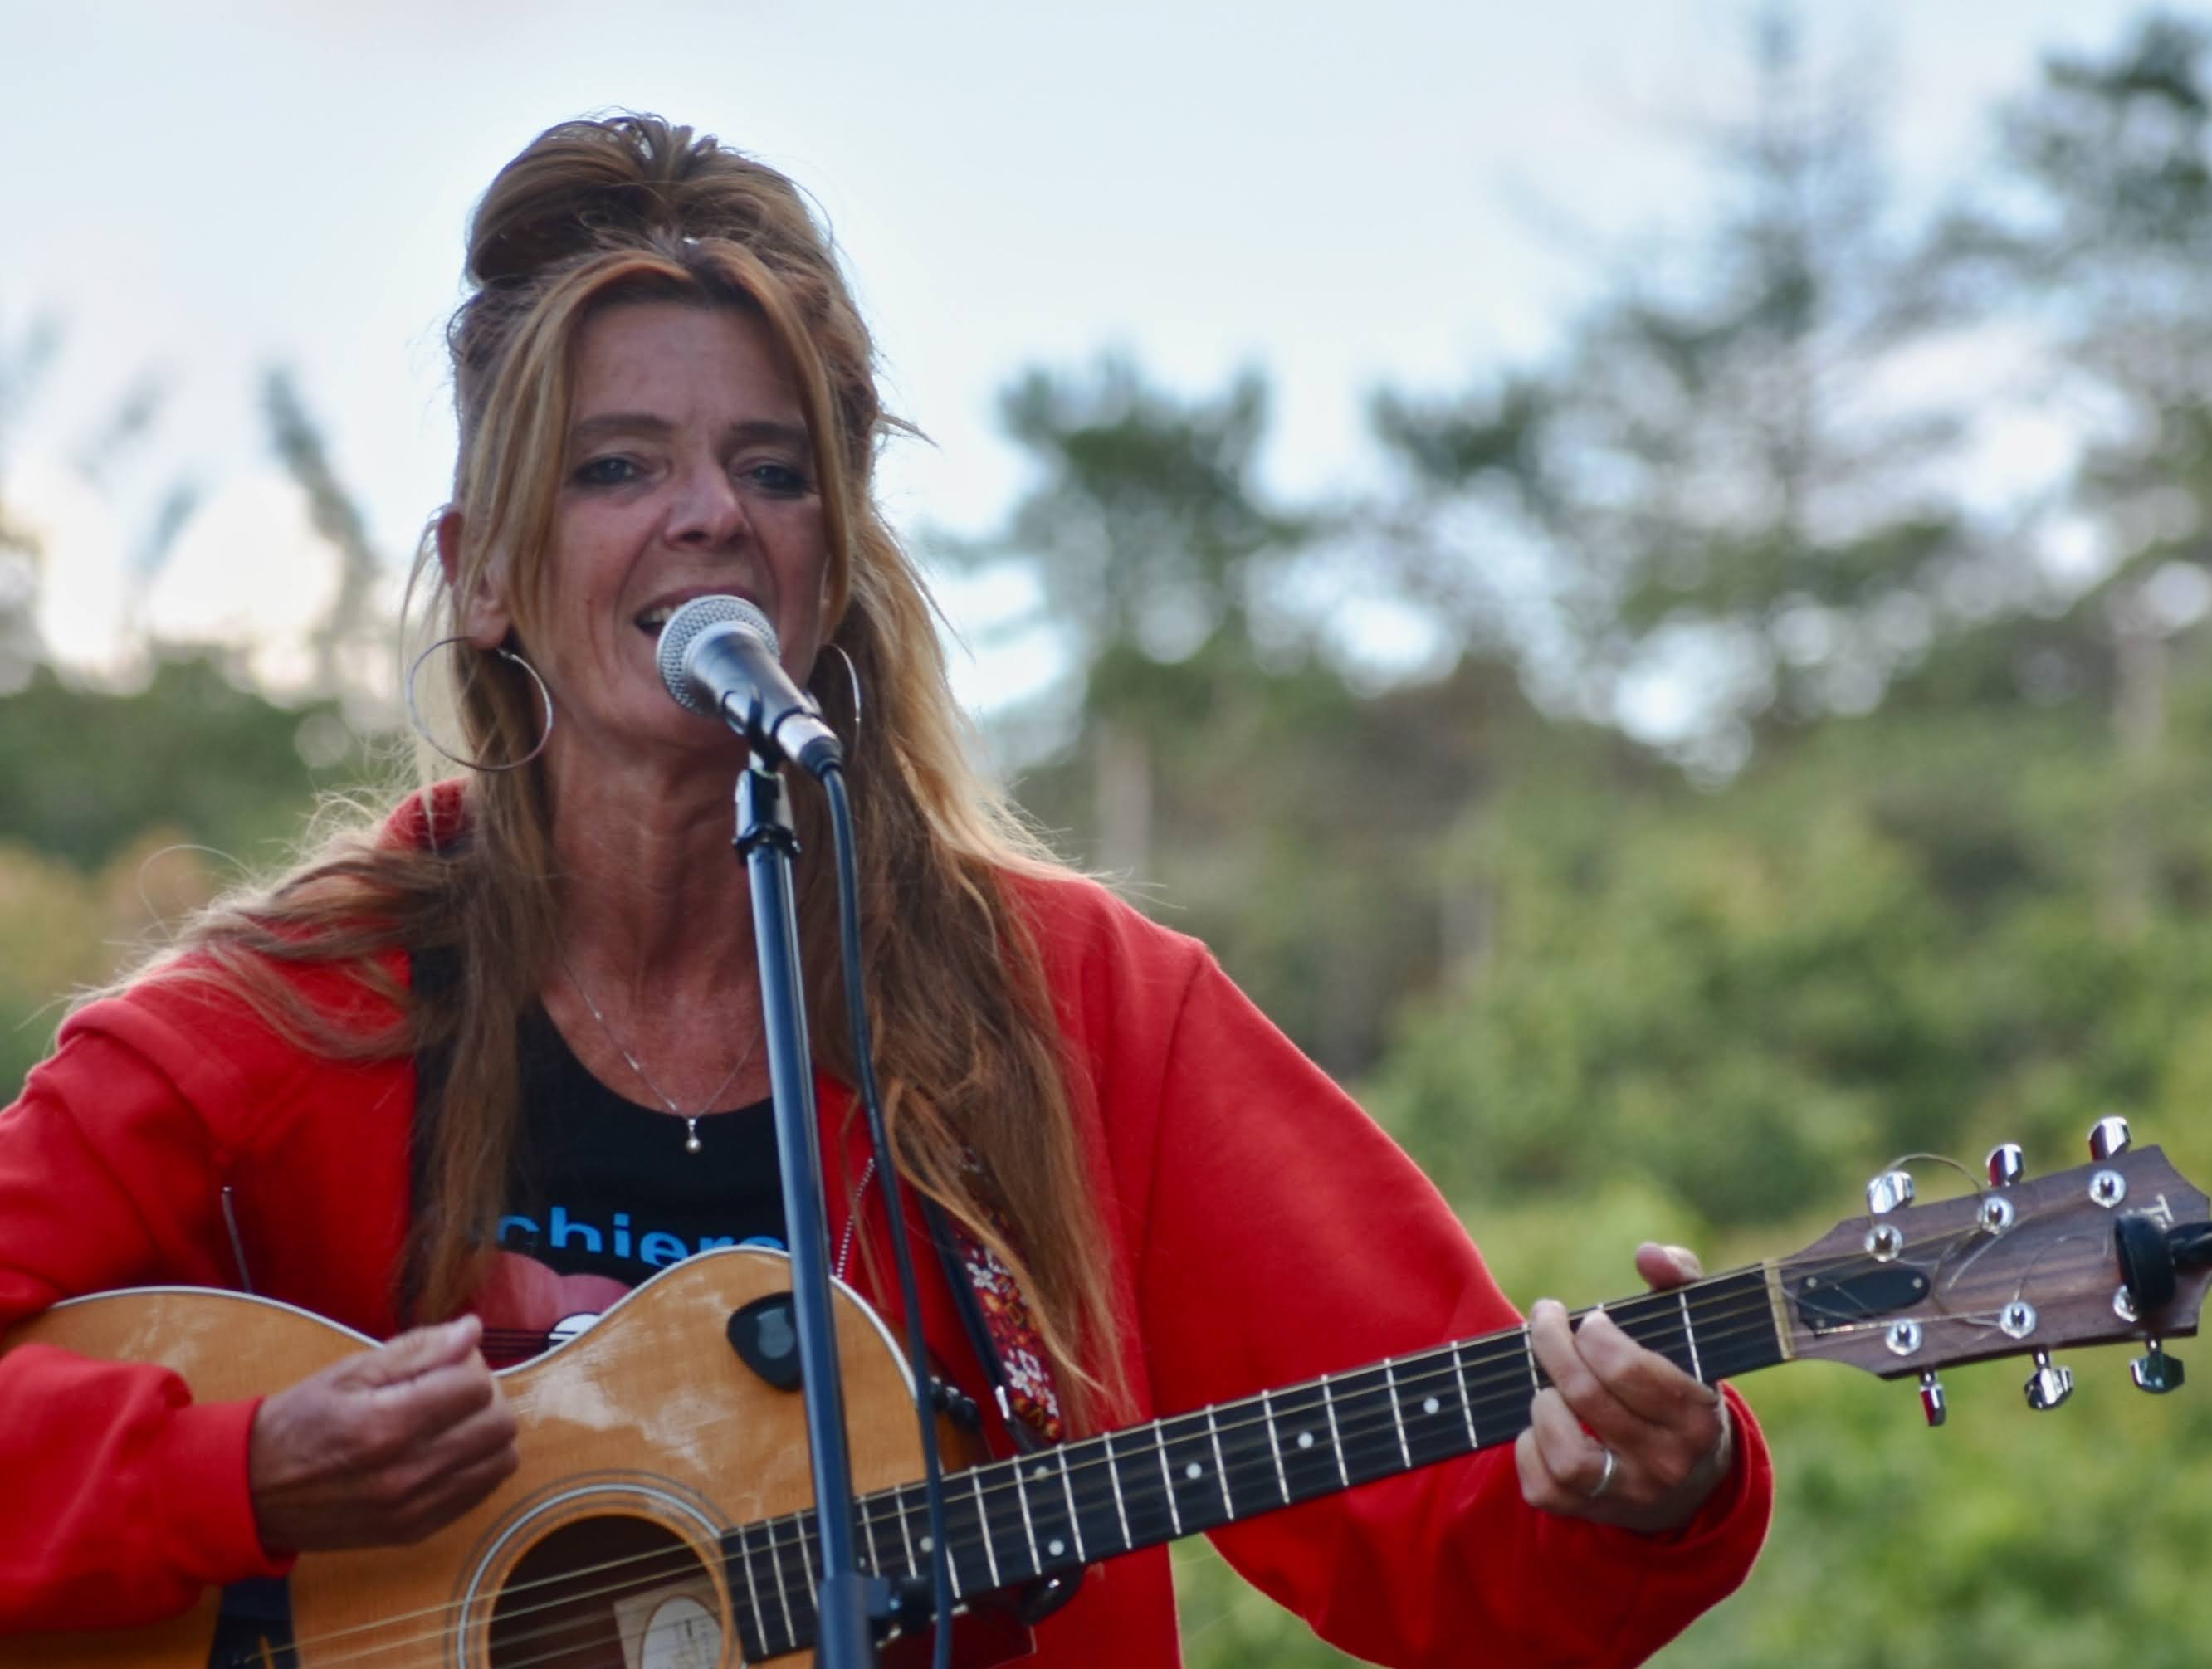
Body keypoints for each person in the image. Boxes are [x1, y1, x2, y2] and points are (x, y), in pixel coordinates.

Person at [0, 115, 1770, 1665]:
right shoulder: (289, 1015)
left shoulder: (1085, 1016)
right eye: (618, 464)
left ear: (831, 563)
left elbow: (1454, 1551)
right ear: (483, 575)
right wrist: (237, 1475)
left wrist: (1641, 1491)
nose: (710, 514)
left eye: (773, 469)